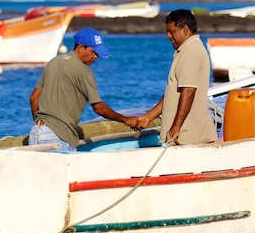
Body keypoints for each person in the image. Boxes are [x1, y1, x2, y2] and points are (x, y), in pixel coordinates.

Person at [29, 27, 139, 152]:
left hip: (36, 133)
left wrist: (40, 124)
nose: (96, 57)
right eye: (93, 52)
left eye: (97, 53)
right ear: (81, 48)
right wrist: (125, 119)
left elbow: (34, 97)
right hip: (57, 136)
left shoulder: (54, 62)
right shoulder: (83, 71)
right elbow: (98, 108)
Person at [137, 9, 218, 145]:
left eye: (171, 31)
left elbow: (189, 90)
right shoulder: (186, 49)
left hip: (187, 135)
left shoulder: (191, 51)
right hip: (185, 133)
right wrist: (148, 117)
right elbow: (174, 92)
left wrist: (176, 128)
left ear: (185, 30)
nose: (168, 36)